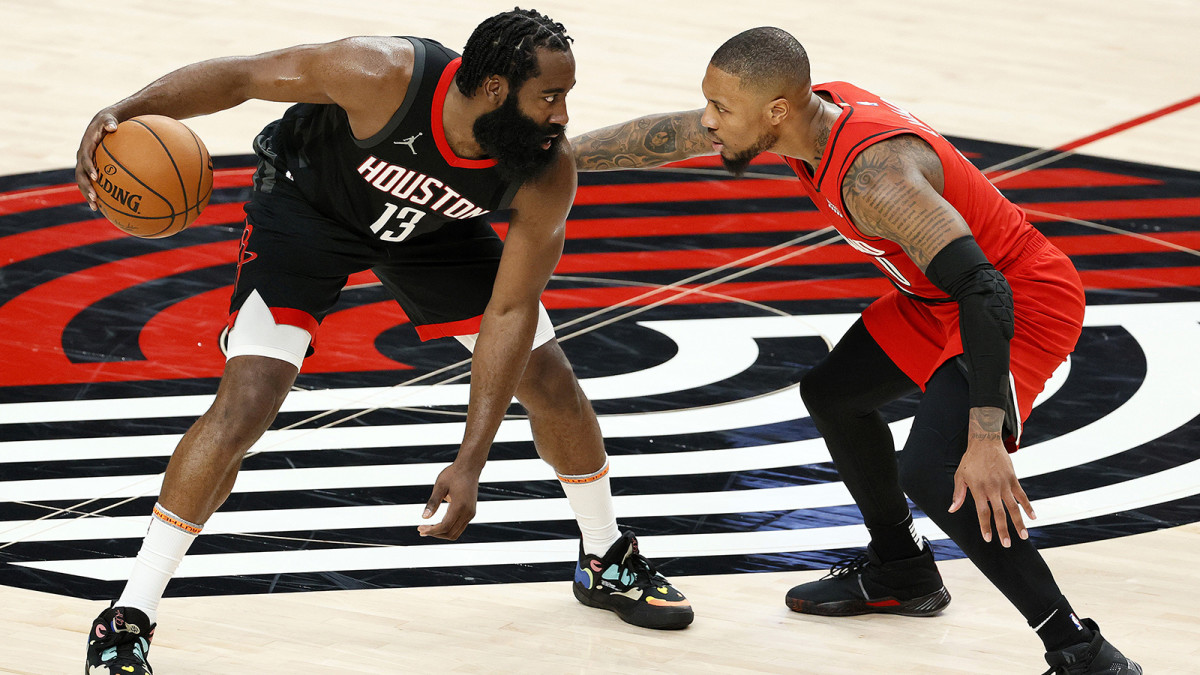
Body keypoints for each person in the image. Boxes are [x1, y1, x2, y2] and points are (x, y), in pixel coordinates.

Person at [75, 9, 694, 674]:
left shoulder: (546, 172)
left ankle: (604, 557)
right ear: (492, 90)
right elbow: (242, 77)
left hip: (433, 231)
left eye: (566, 96)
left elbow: (509, 314)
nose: (564, 116)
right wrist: (124, 108)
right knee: (247, 399)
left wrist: (470, 460)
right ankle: (127, 613)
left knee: (550, 382)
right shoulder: (381, 73)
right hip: (308, 208)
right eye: (550, 96)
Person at [569, 26, 1139, 675]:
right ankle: (903, 568)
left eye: (721, 111)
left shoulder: (875, 175)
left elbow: (984, 287)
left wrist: (985, 437)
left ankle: (1081, 650)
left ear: (776, 111)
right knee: (834, 394)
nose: (709, 123)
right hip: (934, 297)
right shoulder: (798, 116)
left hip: (1017, 300)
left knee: (937, 469)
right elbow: (670, 136)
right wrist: (558, 154)